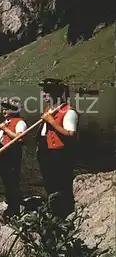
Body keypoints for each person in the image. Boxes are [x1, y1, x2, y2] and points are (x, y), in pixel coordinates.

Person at [36, 78, 79, 218]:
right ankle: (52, 211)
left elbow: (70, 134)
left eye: (46, 92)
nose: (43, 94)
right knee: (48, 182)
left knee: (60, 183)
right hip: (46, 151)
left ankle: (63, 215)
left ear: (56, 93)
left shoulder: (69, 112)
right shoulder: (49, 110)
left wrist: (51, 121)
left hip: (59, 153)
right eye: (43, 91)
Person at [0, 98, 27, 218]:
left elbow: (20, 138)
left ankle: (14, 209)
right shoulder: (6, 122)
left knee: (12, 180)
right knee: (6, 180)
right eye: (3, 108)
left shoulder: (20, 122)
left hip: (10, 154)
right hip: (1, 154)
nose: (4, 110)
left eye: (7, 108)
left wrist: (5, 129)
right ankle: (10, 202)